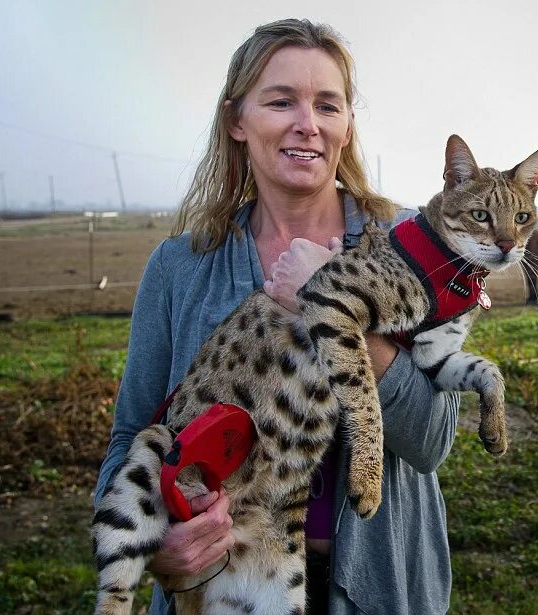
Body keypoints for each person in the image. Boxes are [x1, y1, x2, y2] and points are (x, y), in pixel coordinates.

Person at [94, 19, 459, 615]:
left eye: (327, 105)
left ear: (346, 125)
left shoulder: (410, 244)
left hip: (380, 590)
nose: (307, 124)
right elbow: (130, 436)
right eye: (281, 101)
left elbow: (433, 441)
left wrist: (333, 307)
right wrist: (161, 546)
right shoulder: (181, 267)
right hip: (216, 592)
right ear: (237, 121)